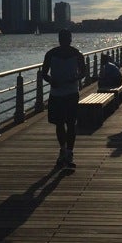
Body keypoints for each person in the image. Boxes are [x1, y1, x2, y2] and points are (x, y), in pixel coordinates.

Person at [41, 29, 87, 169]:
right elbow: (83, 73)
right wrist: (52, 80)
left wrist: (50, 80)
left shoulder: (53, 53)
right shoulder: (75, 54)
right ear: (68, 39)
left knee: (65, 124)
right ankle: (66, 151)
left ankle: (66, 151)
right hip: (65, 93)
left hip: (63, 93)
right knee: (67, 124)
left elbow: (44, 73)